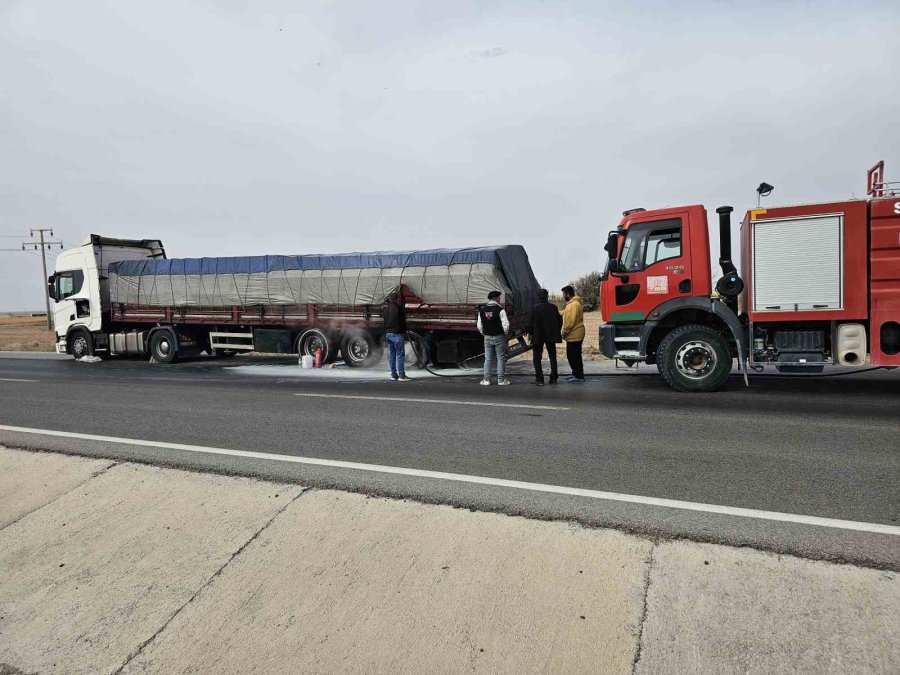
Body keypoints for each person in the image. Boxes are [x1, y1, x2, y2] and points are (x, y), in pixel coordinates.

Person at [477, 290, 510, 386]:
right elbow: (506, 325)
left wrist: (484, 333)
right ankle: (501, 380)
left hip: (487, 337)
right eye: (499, 297)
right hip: (499, 336)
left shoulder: (482, 310)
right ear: (495, 299)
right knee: (500, 358)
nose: (499, 299)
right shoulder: (500, 310)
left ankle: (486, 380)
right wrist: (505, 334)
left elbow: (479, 325)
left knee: (488, 358)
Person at [531, 288, 563, 385]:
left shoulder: (535, 308)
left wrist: (531, 333)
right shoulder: (553, 307)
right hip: (551, 335)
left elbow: (530, 323)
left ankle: (539, 379)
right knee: (552, 356)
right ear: (547, 296)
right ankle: (553, 377)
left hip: (538, 335)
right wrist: (556, 330)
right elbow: (559, 320)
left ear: (538, 297)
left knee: (537, 357)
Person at [383, 291, 410, 381]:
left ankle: (393, 375)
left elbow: (385, 321)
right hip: (397, 334)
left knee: (392, 355)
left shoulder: (386, 309)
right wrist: (404, 331)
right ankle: (402, 375)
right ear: (397, 299)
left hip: (388, 334)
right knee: (400, 354)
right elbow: (402, 322)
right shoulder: (398, 308)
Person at [561, 285, 585, 382]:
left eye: (563, 294)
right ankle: (575, 374)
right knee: (573, 355)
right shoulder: (573, 304)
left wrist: (564, 333)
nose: (563, 296)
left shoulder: (573, 305)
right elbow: (566, 312)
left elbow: (570, 322)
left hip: (574, 334)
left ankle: (579, 376)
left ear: (568, 294)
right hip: (575, 334)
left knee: (574, 356)